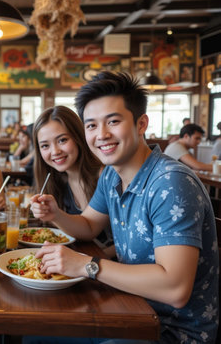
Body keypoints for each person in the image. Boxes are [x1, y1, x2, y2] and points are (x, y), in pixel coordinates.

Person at [28, 72, 218, 344]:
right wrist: (56, 214)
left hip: (171, 331)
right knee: (35, 333)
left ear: (141, 124)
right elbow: (89, 225)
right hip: (130, 308)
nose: (102, 135)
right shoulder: (111, 175)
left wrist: (87, 265)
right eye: (91, 126)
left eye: (113, 121)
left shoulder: (171, 183)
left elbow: (175, 288)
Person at [32, 105, 114, 258]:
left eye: (62, 140)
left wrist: (90, 260)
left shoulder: (106, 175)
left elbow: (130, 238)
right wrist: (53, 214)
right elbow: (85, 230)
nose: (55, 151)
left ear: (78, 137)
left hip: (115, 267)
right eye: (45, 145)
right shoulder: (59, 182)